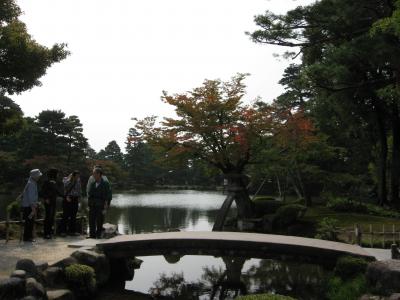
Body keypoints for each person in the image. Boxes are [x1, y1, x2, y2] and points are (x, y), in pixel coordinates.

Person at [87, 167, 112, 239]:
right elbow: (90, 195)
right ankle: (92, 235)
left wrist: (106, 206)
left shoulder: (105, 183)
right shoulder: (93, 183)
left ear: (98, 174)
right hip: (92, 204)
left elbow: (108, 195)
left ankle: (98, 235)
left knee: (99, 220)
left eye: (94, 173)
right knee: (91, 220)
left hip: (101, 204)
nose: (93, 175)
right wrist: (88, 205)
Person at [21, 169, 42, 242]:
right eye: (38, 176)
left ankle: (28, 237)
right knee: (29, 222)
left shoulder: (31, 182)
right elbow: (30, 197)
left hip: (29, 205)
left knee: (29, 221)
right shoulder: (31, 183)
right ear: (34, 176)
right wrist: (33, 207)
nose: (39, 177)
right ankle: (27, 237)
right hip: (29, 206)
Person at [41, 168, 62, 239]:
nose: (58, 175)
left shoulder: (55, 182)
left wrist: (65, 196)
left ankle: (50, 232)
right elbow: (42, 192)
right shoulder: (46, 182)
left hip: (53, 201)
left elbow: (58, 192)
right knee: (47, 217)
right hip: (48, 201)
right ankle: (46, 233)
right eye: (57, 173)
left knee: (52, 217)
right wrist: (46, 198)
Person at [60, 171, 82, 236]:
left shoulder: (78, 182)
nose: (78, 177)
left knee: (73, 216)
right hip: (68, 199)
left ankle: (72, 231)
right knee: (65, 215)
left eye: (78, 176)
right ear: (73, 175)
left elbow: (80, 191)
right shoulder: (67, 181)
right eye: (76, 176)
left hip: (75, 199)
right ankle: (63, 231)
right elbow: (64, 189)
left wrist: (79, 200)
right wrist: (66, 196)